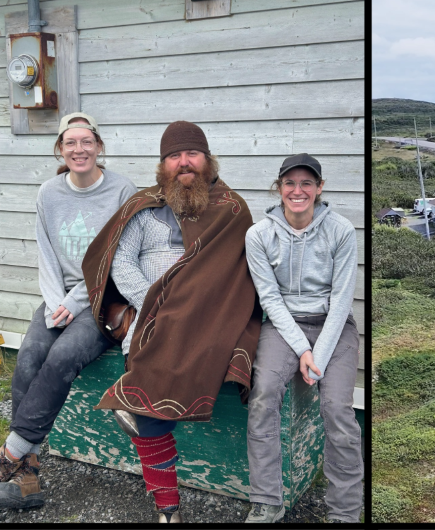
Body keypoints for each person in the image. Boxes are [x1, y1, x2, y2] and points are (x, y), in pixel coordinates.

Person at [82, 121, 261, 523]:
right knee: (150, 368)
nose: (184, 163)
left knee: (155, 388)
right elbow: (120, 261)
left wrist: (189, 306)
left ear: (207, 159)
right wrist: (153, 302)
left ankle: (166, 505)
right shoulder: (144, 207)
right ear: (163, 165)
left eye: (191, 154)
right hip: (148, 312)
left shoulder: (232, 210)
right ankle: (168, 509)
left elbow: (236, 274)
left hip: (208, 312)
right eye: (174, 156)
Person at [0, 112, 137, 510]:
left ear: (99, 146)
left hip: (104, 300)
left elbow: (119, 258)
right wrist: (55, 303)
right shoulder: (48, 193)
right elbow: (46, 253)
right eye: (71, 142)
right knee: (30, 356)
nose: (79, 149)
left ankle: (13, 452)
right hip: (59, 296)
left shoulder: (122, 190)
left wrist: (74, 302)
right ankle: (29, 474)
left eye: (86, 141)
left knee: (63, 356)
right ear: (61, 149)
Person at [243, 154, 362, 523]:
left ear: (319, 188)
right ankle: (267, 500)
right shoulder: (259, 235)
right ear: (279, 188)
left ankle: (344, 512)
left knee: (338, 411)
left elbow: (342, 300)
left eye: (307, 183)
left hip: (333, 326)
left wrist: (319, 356)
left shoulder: (341, 230)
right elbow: (270, 300)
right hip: (283, 325)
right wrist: (302, 350)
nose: (298, 190)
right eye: (290, 183)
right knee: (262, 396)